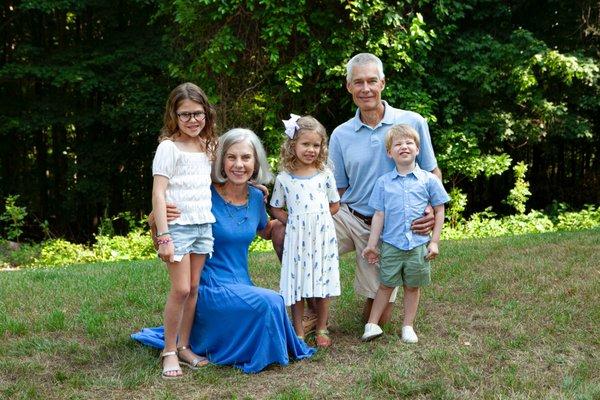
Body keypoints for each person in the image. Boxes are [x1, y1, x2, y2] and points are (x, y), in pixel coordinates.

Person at [272, 53, 442, 327]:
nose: (366, 89)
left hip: (389, 228)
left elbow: (432, 172)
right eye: (358, 82)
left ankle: (371, 300)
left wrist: (431, 210)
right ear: (349, 86)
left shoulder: (412, 122)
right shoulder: (341, 134)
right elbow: (333, 188)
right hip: (347, 216)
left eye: (372, 81)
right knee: (281, 232)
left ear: (383, 83)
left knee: (376, 320)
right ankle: (314, 307)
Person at [132, 128, 316, 374]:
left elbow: (265, 229)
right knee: (271, 302)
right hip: (206, 287)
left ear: (255, 162)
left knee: (272, 302)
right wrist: (156, 221)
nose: (239, 164)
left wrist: (300, 218)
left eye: (246, 158)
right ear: (221, 161)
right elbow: (164, 231)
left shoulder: (255, 197)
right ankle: (200, 339)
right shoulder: (202, 193)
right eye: (231, 157)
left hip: (242, 283)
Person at [151, 82, 217, 379]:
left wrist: (253, 186)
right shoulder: (168, 147)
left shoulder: (209, 145)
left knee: (193, 290)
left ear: (207, 114)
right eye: (185, 115)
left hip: (203, 224)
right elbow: (158, 192)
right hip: (177, 227)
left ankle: (184, 346)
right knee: (179, 289)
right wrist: (162, 234)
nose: (193, 120)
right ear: (174, 116)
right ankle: (168, 352)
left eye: (198, 114)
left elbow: (216, 180)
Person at [360, 125, 449, 343]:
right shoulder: (383, 183)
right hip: (391, 244)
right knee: (386, 284)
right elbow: (379, 215)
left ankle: (408, 326)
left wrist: (434, 242)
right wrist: (372, 245)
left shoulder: (429, 180)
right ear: (390, 153)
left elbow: (439, 210)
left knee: (412, 286)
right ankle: (371, 324)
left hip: (418, 245)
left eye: (409, 143)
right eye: (398, 144)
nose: (404, 147)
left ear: (418, 149)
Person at [270, 114, 341, 347]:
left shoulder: (325, 175)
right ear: (293, 145)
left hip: (321, 237)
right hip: (297, 237)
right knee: (296, 281)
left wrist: (317, 220)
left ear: (322, 148)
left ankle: (322, 328)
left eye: (316, 145)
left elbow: (334, 204)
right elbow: (275, 207)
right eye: (305, 144)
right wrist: (293, 221)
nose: (311, 149)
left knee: (321, 281)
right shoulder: (284, 179)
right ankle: (299, 332)